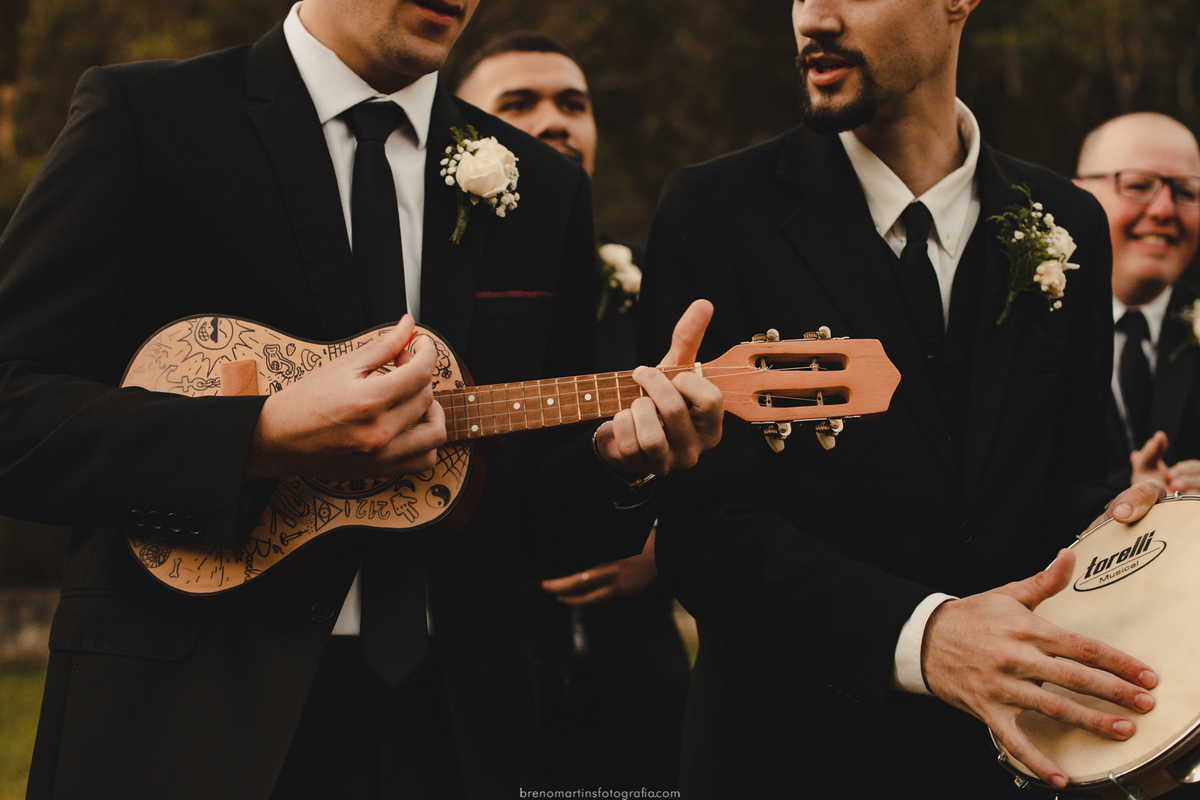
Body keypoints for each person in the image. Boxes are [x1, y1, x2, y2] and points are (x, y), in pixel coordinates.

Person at [0, 1, 724, 798]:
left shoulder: (543, 187)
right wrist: (260, 436)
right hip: (188, 719)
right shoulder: (146, 119)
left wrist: (615, 465)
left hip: (461, 738)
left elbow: (534, 518)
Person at [638, 1, 1165, 797]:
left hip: (1018, 765)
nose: (812, 17)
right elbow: (704, 536)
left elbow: (1067, 486)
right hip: (790, 762)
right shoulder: (714, 212)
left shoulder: (1071, 222)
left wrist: (1151, 525)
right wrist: (925, 637)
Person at [455, 33, 688, 790]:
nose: (555, 122)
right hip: (482, 685)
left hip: (639, 689)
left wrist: (657, 544)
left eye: (573, 104)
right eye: (518, 104)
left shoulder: (652, 288)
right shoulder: (441, 299)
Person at [1074, 114, 1200, 495]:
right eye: (1138, 185)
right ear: (1077, 194)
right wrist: (1124, 491)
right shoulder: (1029, 333)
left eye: (1187, 192)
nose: (1164, 210)